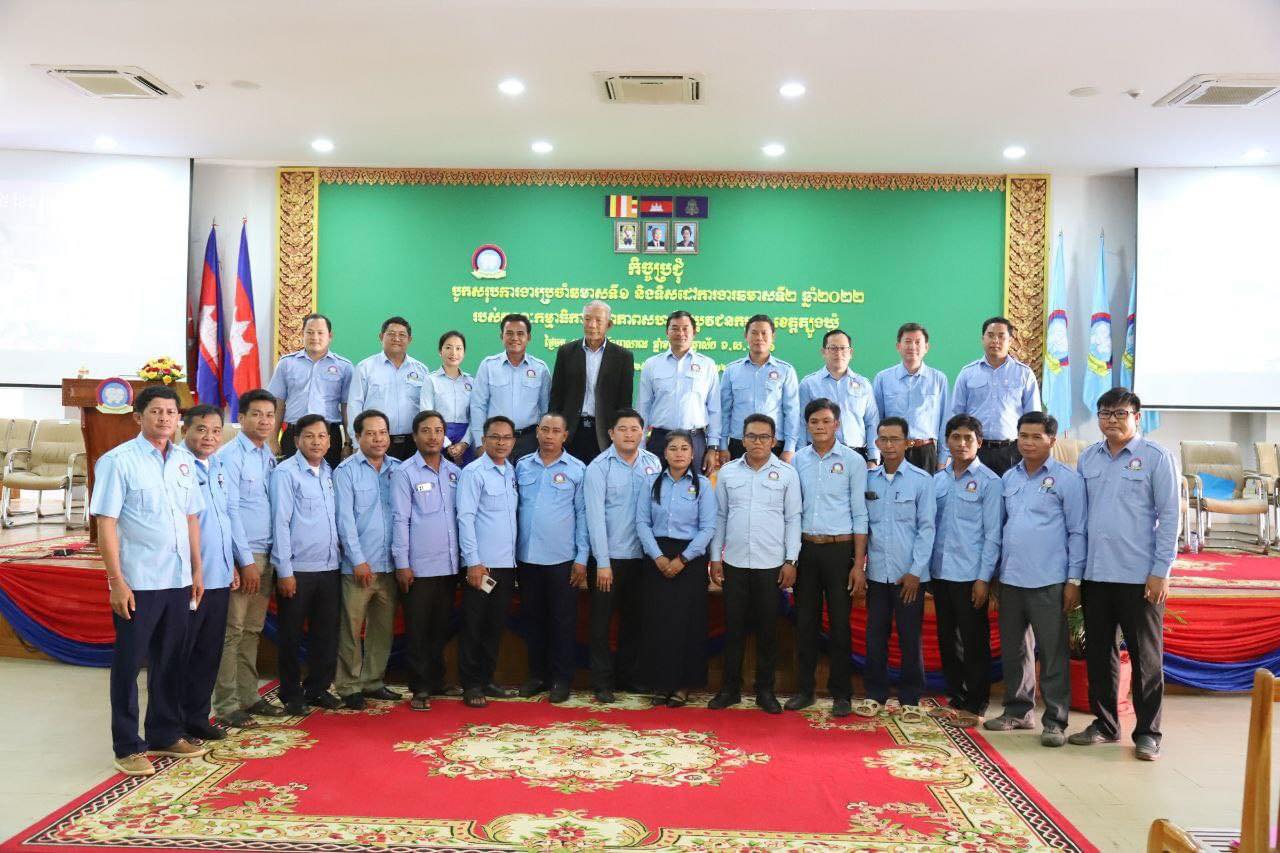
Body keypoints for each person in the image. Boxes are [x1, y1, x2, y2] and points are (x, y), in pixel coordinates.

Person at [90, 385, 208, 777]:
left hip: (178, 578)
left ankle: (165, 733)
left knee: (171, 660)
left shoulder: (185, 462)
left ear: (179, 418)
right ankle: (127, 746)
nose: (164, 418)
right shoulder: (117, 461)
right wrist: (116, 581)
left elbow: (191, 518)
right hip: (138, 580)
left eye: (171, 412)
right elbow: (106, 523)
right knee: (128, 664)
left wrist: (197, 569)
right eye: (156, 411)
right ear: (138, 417)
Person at [1069, 388, 1178, 761]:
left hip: (1139, 577)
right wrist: (1076, 575)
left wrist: (1161, 571)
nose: (1111, 420)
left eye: (1120, 413)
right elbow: (1079, 520)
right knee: (1100, 655)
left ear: (1136, 417)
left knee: (1146, 658)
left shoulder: (1156, 457)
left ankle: (1148, 732)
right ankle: (1105, 724)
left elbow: (1170, 517)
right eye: (1105, 413)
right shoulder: (1088, 458)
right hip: (1096, 574)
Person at [985, 411, 1086, 746]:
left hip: (1049, 580)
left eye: (1036, 437)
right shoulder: (1008, 478)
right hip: (1012, 578)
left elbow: (1078, 532)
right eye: (1023, 436)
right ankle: (1018, 711)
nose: (1028, 443)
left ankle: (1055, 721)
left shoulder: (1067, 480)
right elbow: (1000, 529)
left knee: (1053, 654)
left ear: (1052, 440)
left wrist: (1074, 581)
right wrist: (995, 575)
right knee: (1015, 651)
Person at [708, 414, 802, 714]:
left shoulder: (787, 474)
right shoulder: (728, 473)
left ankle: (765, 691)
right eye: (751, 436)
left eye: (764, 437)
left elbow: (793, 519)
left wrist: (791, 560)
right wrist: (715, 557)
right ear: (743, 439)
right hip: (734, 561)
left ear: (773, 441)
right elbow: (720, 517)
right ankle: (730, 690)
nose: (757, 441)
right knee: (733, 628)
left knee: (767, 630)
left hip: (771, 564)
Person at [788, 398, 868, 717]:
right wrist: (790, 558)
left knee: (839, 625)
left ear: (837, 424)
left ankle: (841, 694)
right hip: (806, 549)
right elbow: (791, 511)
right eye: (814, 422)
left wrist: (858, 564)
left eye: (826, 421)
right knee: (805, 622)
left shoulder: (853, 461)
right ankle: (805, 690)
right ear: (806, 425)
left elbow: (860, 515)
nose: (820, 426)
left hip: (840, 550)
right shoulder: (798, 460)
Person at [855, 416, 936, 718]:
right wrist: (861, 567)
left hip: (909, 577)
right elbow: (863, 525)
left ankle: (910, 699)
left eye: (895, 439)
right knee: (875, 637)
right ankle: (874, 695)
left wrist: (916, 571)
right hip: (877, 574)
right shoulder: (868, 479)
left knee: (909, 638)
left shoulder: (921, 480)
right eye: (884, 439)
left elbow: (927, 529)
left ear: (907, 443)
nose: (889, 445)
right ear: (876, 442)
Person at [214, 388, 285, 726]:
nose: (264, 421)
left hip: (266, 551)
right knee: (232, 631)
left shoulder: (266, 453)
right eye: (256, 414)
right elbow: (228, 511)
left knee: (252, 629)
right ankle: (227, 705)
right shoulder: (230, 456)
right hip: (244, 555)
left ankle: (248, 696)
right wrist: (243, 561)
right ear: (241, 418)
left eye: (269, 415)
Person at [929, 414, 1002, 727]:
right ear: (947, 441)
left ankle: (976, 703)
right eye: (955, 437)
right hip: (940, 572)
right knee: (947, 639)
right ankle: (956, 697)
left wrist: (984, 579)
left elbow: (993, 534)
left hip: (971, 575)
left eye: (968, 438)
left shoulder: (990, 482)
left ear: (979, 442)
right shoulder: (937, 480)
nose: (961, 444)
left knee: (974, 641)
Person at [584, 408, 661, 702]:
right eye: (623, 429)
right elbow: (594, 519)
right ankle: (602, 682)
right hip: (609, 559)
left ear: (643, 433)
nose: (629, 434)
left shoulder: (653, 463)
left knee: (635, 621)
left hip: (643, 558)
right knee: (601, 624)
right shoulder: (598, 467)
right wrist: (602, 563)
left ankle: (629, 677)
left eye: (634, 429)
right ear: (611, 433)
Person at [636, 430, 716, 707]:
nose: (679, 453)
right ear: (665, 453)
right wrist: (658, 557)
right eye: (673, 448)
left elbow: (708, 528)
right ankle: (659, 683)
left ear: (693, 454)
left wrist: (683, 559)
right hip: (656, 557)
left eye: (684, 448)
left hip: (689, 561)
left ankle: (683, 685)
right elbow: (642, 523)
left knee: (687, 623)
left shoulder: (702, 485)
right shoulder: (651, 482)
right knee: (657, 620)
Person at [270, 413, 342, 715]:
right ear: (297, 440)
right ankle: (290, 693)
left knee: (325, 634)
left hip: (329, 567)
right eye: (309, 436)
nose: (316, 442)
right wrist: (285, 571)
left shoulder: (329, 472)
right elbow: (280, 523)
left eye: (322, 436)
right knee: (290, 635)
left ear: (329, 441)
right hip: (297, 570)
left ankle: (318, 688)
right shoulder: (285, 473)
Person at [515, 413, 589, 703]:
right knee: (532, 620)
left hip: (562, 559)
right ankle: (537, 676)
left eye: (556, 431)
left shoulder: (577, 469)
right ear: (537, 432)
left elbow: (583, 516)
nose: (549, 435)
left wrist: (582, 557)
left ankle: (561, 679)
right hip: (527, 557)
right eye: (544, 429)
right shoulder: (521, 465)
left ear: (565, 436)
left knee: (562, 622)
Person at [391, 410, 463, 711]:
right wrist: (402, 563)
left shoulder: (455, 472)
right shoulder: (405, 473)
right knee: (418, 629)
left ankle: (437, 680)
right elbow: (400, 520)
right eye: (425, 430)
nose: (432, 436)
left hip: (449, 565)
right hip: (418, 567)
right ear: (415, 435)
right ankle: (419, 687)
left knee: (440, 628)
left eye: (438, 430)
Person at [332, 409, 402, 709]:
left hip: (390, 565)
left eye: (382, 432)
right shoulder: (345, 471)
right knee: (351, 628)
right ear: (357, 436)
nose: (378, 439)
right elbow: (344, 521)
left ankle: (373, 681)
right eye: (370, 433)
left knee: (381, 629)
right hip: (358, 566)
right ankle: (349, 686)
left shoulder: (399, 469)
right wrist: (358, 560)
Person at [179, 404, 238, 743]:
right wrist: (194, 571)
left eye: (216, 431)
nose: (209, 437)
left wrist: (232, 563)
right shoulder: (177, 466)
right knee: (182, 653)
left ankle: (198, 718)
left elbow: (225, 517)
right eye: (201, 429)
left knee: (208, 652)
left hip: (219, 575)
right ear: (184, 430)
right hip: (189, 578)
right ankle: (173, 722)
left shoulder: (218, 465)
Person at [457, 415, 521, 708]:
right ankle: (470, 685)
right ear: (483, 440)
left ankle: (487, 679)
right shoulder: (473, 472)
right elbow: (465, 517)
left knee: (495, 625)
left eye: (506, 437)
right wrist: (473, 561)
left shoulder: (511, 471)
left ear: (514, 441)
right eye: (495, 437)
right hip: (482, 566)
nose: (501, 442)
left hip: (507, 565)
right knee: (474, 625)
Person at [951, 316, 1040, 476]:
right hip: (975, 449)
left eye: (1001, 336)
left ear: (1010, 341)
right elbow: (956, 416)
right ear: (982, 339)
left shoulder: (1024, 374)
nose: (995, 341)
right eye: (990, 335)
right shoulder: (967, 373)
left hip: (1012, 451)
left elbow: (1033, 418)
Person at [549, 300, 635, 464]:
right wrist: (555, 430)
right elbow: (556, 396)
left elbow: (624, 403)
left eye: (598, 320)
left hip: (604, 433)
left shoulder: (623, 357)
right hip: (571, 431)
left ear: (609, 325)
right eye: (587, 319)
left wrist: (619, 434)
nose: (591, 325)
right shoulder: (566, 352)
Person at [636, 310, 721, 475]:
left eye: (685, 328)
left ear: (694, 332)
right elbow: (643, 408)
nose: (680, 333)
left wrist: (712, 447)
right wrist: (641, 446)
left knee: (694, 487)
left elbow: (715, 410)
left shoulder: (707, 365)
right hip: (660, 439)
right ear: (667, 332)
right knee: (655, 486)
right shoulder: (652, 364)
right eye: (674, 328)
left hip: (694, 439)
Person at [267, 312, 353, 468]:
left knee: (327, 479)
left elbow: (347, 408)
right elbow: (277, 404)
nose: (315, 337)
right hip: (294, 435)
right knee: (289, 478)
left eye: (320, 333)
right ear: (302, 334)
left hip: (328, 436)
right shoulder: (286, 364)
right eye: (310, 332)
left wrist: (348, 443)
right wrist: (272, 439)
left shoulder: (344, 367)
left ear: (330, 336)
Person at [346, 316, 434, 462]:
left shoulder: (421, 370)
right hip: (376, 441)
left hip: (413, 443)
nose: (396, 339)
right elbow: (354, 406)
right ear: (381, 337)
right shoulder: (365, 368)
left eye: (402, 335)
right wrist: (357, 443)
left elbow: (427, 409)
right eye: (391, 334)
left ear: (410, 339)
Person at [468, 313, 550, 462]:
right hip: (496, 440)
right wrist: (480, 443)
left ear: (529, 337)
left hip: (530, 441)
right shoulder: (488, 366)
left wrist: (543, 442)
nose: (515, 338)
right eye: (509, 333)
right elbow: (478, 406)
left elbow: (546, 410)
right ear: (502, 336)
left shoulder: (540, 369)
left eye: (520, 333)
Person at [718, 314, 800, 463]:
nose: (759, 338)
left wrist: (789, 448)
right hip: (739, 443)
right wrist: (723, 445)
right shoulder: (731, 370)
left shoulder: (786, 371)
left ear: (773, 336)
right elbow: (724, 411)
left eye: (764, 333)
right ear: (746, 336)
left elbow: (792, 412)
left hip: (774, 444)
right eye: (754, 333)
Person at [873, 322, 950, 472]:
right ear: (898, 346)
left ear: (926, 347)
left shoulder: (938, 379)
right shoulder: (883, 378)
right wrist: (875, 456)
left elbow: (945, 421)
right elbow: (876, 420)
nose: (912, 346)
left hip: (925, 451)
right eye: (907, 341)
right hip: (891, 449)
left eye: (917, 342)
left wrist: (942, 459)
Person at [798, 329, 880, 465]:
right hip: (819, 456)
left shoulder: (864, 384)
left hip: (856, 455)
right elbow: (801, 423)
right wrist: (801, 457)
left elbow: (872, 422)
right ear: (823, 352)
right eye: (833, 348)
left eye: (843, 348)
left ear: (851, 352)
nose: (838, 353)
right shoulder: (809, 384)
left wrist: (873, 458)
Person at [429, 330, 476, 467]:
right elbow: (426, 415)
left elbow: (476, 416)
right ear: (440, 351)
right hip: (437, 437)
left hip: (466, 439)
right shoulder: (431, 380)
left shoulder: (471, 382)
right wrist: (447, 444)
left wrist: (464, 443)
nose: (453, 353)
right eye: (448, 347)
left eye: (458, 348)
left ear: (464, 352)